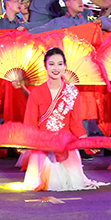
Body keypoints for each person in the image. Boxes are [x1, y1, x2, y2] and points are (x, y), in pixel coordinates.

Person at [22, 47, 106, 191]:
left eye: (60, 64)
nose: (56, 68)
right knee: (45, 184)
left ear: (65, 66)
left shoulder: (71, 92)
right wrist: (25, 143)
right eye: (51, 64)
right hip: (43, 146)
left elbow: (76, 124)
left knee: (73, 184)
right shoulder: (36, 93)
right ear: (45, 66)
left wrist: (86, 141)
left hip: (65, 146)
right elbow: (30, 123)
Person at [30, 0, 111, 34]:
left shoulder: (88, 18)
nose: (81, 2)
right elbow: (39, 29)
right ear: (67, 4)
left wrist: (101, 22)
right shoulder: (58, 22)